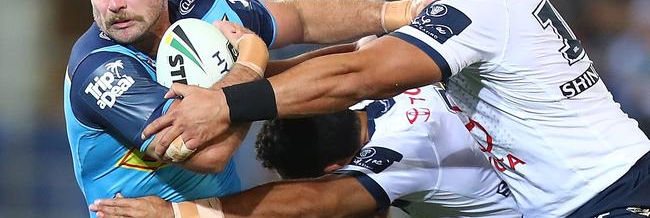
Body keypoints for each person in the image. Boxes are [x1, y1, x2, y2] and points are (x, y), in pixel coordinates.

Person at [143, 0, 650, 217]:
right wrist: (254, 72)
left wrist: (230, 101)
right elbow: (365, 54)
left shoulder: (482, 1)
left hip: (610, 196)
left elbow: (360, 76)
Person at [64, 0, 440, 216]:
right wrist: (251, 60)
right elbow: (210, 155)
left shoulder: (201, 12)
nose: (113, 4)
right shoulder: (99, 69)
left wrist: (397, 14)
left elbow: (299, 17)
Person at [90, 84, 522, 218]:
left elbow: (309, 201)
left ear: (332, 168)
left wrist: (175, 214)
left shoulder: (396, 159)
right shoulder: (386, 83)